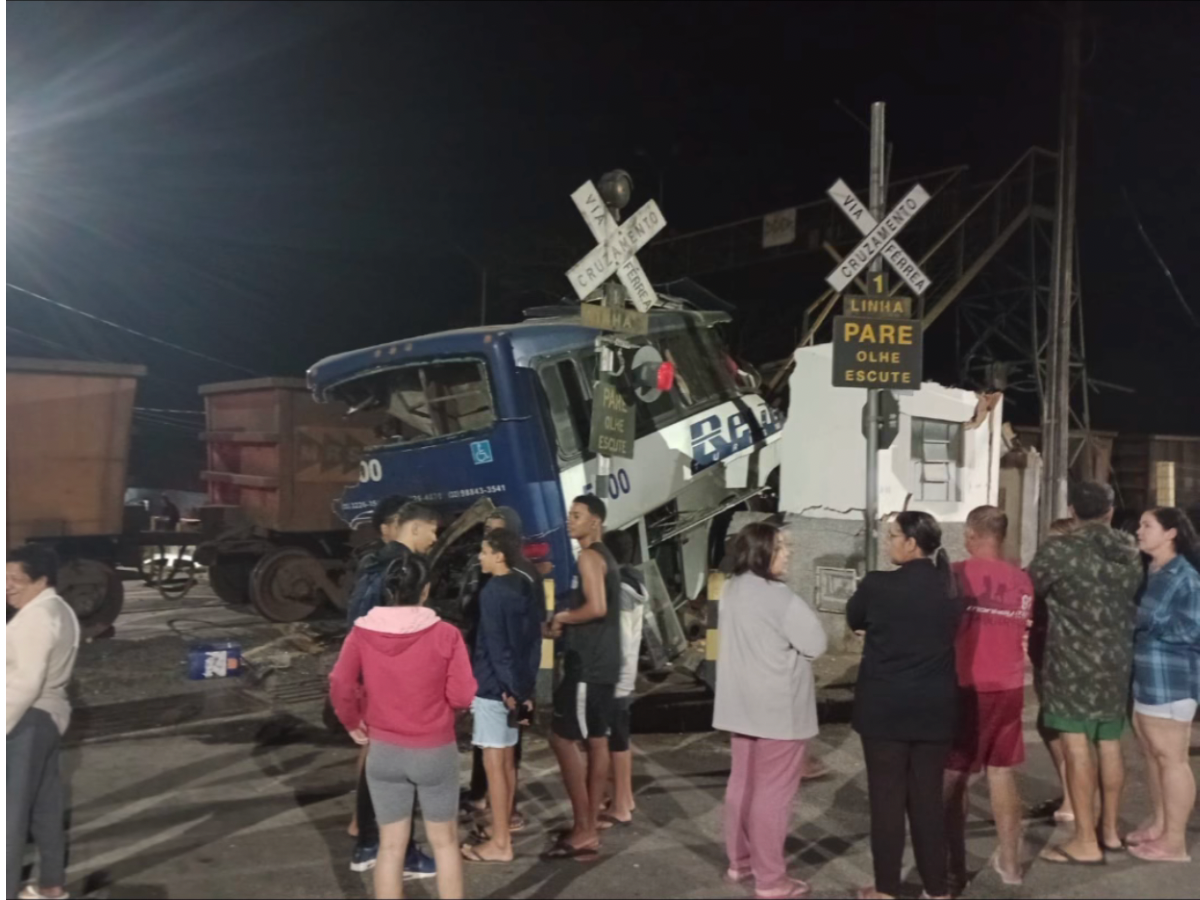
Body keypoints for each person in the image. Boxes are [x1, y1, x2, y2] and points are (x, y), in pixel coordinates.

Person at [329, 551, 476, 900]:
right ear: (424, 591)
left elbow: (339, 683)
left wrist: (352, 722)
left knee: (390, 848)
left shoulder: (362, 633)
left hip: (383, 753)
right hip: (435, 751)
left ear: (388, 590)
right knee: (445, 844)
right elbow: (463, 693)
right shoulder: (446, 635)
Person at [847, 511, 960, 900]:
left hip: (884, 708)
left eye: (893, 535)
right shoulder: (950, 587)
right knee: (928, 800)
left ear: (912, 542)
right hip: (935, 707)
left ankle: (886, 889)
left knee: (887, 801)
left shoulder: (878, 585)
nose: (889, 541)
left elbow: (854, 617)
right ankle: (937, 889)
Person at [1028, 481, 1142, 866]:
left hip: (1070, 663)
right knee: (1110, 743)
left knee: (1077, 747)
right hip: (1116, 661)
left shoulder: (1059, 550)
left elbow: (1032, 589)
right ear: (1110, 512)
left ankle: (1084, 842)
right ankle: (1109, 832)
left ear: (1072, 510)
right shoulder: (1130, 549)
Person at [714, 522, 827, 900]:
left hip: (739, 704)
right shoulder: (780, 598)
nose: (788, 553)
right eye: (781, 547)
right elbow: (816, 644)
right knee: (774, 795)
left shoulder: (730, 590)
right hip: (778, 708)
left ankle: (740, 860)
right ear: (762, 552)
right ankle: (771, 879)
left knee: (742, 784)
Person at [346, 498, 442, 880]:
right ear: (415, 527)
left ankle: (368, 844)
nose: (435, 538)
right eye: (432, 529)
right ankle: (400, 853)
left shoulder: (371, 561)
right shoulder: (408, 567)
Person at [943, 507, 1034, 888]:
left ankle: (950, 867)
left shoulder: (956, 574)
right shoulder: (1022, 581)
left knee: (953, 777)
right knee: (1001, 772)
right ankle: (1010, 865)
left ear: (970, 533)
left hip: (968, 685)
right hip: (1010, 687)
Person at [542, 495, 622, 860]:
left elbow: (597, 607)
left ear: (596, 522)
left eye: (577, 516)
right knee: (597, 739)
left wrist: (562, 619)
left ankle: (585, 828)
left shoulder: (589, 556)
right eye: (569, 515)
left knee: (562, 738)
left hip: (587, 666)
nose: (570, 521)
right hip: (604, 662)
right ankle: (589, 821)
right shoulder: (605, 557)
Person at [461, 528, 542, 864]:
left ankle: (500, 843)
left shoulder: (492, 591)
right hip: (519, 689)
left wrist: (507, 689)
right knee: (508, 762)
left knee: (494, 764)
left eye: (484, 551)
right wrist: (524, 689)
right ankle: (503, 829)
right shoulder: (524, 584)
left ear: (499, 554)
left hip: (494, 689)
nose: (480, 557)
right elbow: (531, 641)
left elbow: (497, 646)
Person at [1127, 507, 1200, 864]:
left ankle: (1174, 843)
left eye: (1147, 526)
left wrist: (1142, 623)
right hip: (1146, 676)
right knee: (1153, 756)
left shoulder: (1184, 575)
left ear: (1171, 533)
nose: (1139, 531)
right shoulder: (1153, 570)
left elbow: (1193, 629)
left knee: (1172, 759)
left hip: (1171, 678)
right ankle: (1159, 824)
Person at [7, 545, 80, 900]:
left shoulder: (36, 618)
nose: (7, 586)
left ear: (41, 579)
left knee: (9, 816)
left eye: (16, 579)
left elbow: (25, 683)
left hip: (26, 720)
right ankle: (51, 885)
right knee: (45, 806)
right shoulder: (58, 609)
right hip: (47, 719)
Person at [1028, 516, 1081, 826]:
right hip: (1046, 657)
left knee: (1066, 729)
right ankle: (1072, 792)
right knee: (1050, 725)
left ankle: (1075, 800)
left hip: (1062, 661)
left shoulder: (1070, 577)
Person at [600, 528, 649, 830]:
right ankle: (624, 797)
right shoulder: (635, 582)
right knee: (620, 738)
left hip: (613, 676)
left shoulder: (618, 591)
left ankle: (619, 804)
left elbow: (618, 638)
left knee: (613, 740)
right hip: (626, 674)